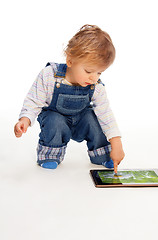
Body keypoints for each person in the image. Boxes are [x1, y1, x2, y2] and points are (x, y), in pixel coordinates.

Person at [14, 24, 125, 173]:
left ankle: (102, 155)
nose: (94, 78)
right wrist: (25, 119)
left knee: (93, 119)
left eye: (99, 73)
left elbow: (105, 113)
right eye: (89, 71)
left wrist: (116, 143)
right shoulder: (50, 75)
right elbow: (34, 100)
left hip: (81, 118)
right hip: (56, 117)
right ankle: (50, 155)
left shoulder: (96, 85)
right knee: (54, 121)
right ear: (70, 61)